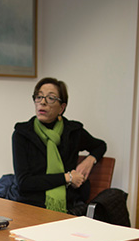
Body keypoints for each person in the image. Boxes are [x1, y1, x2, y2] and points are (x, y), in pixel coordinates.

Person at [12, 77, 106, 213]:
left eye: (50, 98)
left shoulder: (72, 131)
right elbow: (24, 183)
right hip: (30, 205)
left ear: (62, 107)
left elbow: (100, 145)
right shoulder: (22, 133)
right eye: (39, 97)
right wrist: (67, 178)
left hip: (68, 205)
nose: (42, 102)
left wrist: (90, 160)